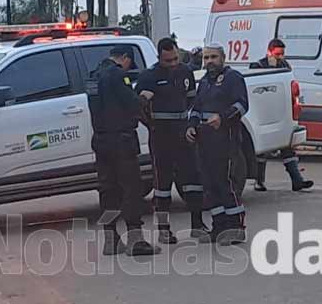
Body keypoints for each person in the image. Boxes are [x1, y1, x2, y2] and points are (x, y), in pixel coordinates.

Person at [87, 45, 158, 256]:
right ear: (125, 58)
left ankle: (111, 240)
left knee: (107, 190)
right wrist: (144, 97)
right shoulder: (118, 75)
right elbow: (132, 104)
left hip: (100, 140)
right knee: (131, 188)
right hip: (122, 140)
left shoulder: (92, 77)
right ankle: (136, 240)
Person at [136, 38, 209, 243]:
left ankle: (198, 224)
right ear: (159, 57)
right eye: (168, 60)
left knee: (193, 179)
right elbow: (138, 106)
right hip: (161, 135)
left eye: (175, 58)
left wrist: (191, 124)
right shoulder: (149, 76)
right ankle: (164, 229)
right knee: (162, 184)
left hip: (183, 133)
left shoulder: (185, 71)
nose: (173, 63)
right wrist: (150, 124)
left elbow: (192, 100)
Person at [187, 45, 249, 244]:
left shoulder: (233, 78)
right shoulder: (204, 82)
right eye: (206, 58)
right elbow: (196, 108)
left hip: (226, 140)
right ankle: (219, 227)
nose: (209, 61)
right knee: (210, 186)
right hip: (204, 142)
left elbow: (242, 105)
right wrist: (191, 126)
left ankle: (236, 228)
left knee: (226, 184)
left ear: (223, 58)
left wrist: (223, 118)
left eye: (213, 57)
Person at [249, 39, 314, 193]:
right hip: (263, 113)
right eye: (277, 54)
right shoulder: (257, 66)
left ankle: (297, 181)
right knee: (262, 149)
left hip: (281, 112)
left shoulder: (285, 66)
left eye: (282, 54)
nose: (280, 57)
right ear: (269, 51)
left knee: (288, 146)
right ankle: (259, 181)